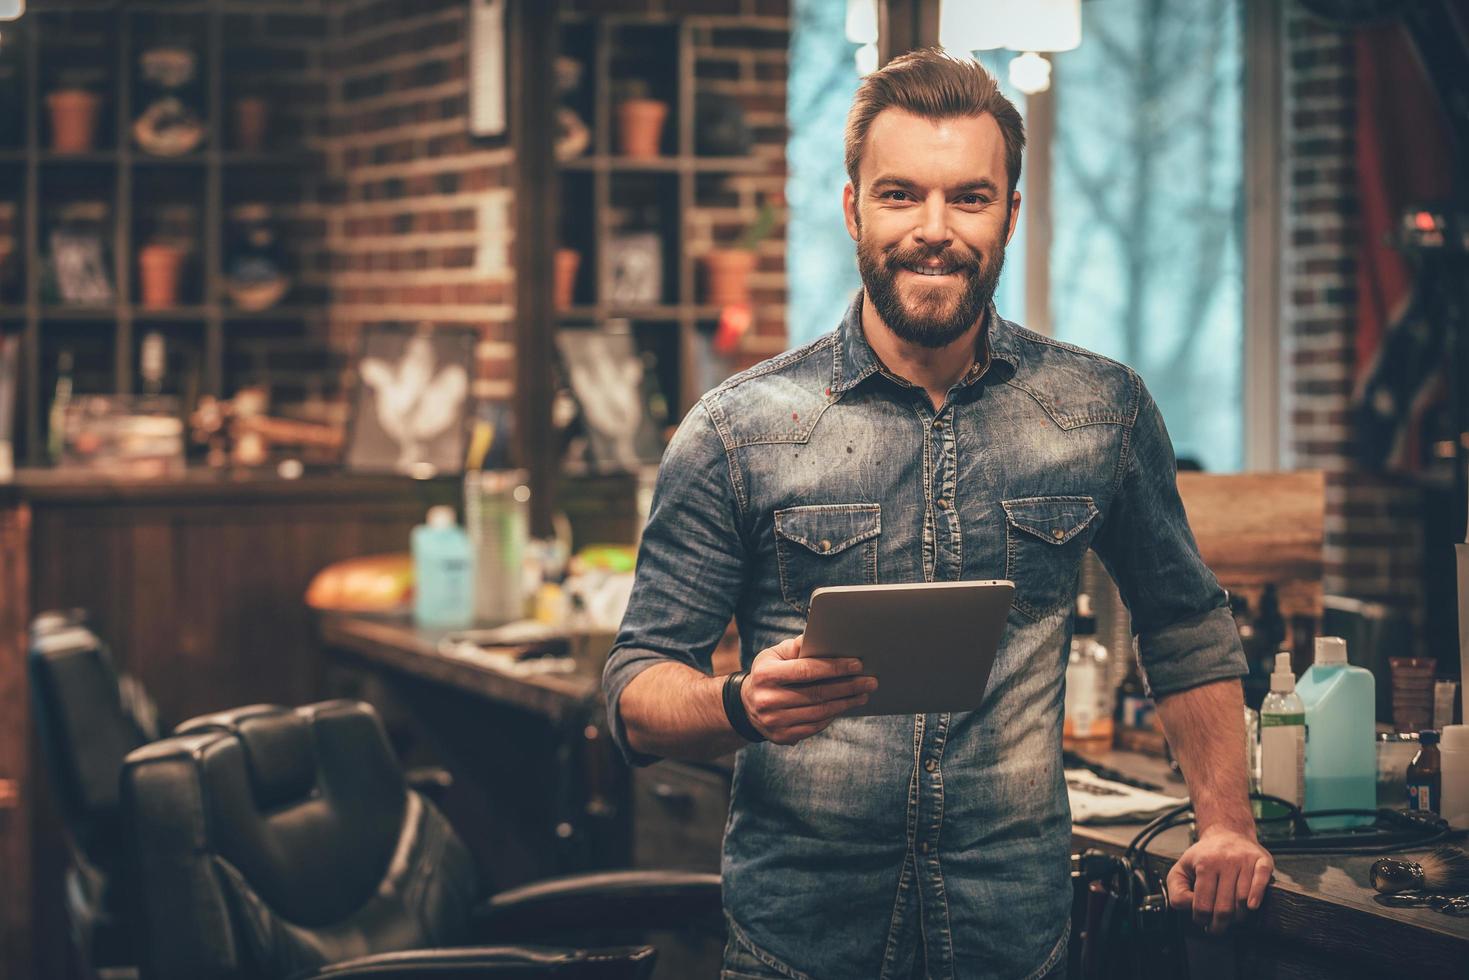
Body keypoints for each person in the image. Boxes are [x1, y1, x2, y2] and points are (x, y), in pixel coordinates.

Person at [602, 49, 1272, 979]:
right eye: (899, 195)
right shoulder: (737, 429)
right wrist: (737, 704)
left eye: (968, 197)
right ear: (851, 211)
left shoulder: (1099, 411)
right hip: (800, 941)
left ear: (1010, 213)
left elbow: (1184, 625)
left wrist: (1226, 826)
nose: (933, 229)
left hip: (1012, 938)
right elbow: (634, 691)